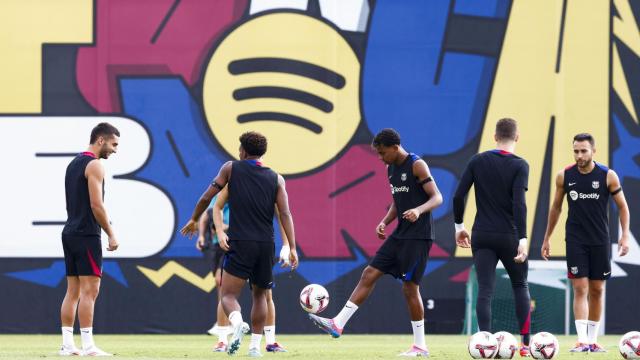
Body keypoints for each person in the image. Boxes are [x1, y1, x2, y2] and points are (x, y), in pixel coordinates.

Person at [308, 128, 443, 357]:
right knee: (369, 273)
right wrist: (385, 221)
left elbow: (437, 197)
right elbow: (397, 201)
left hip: (418, 237)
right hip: (400, 234)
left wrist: (419, 211)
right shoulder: (390, 168)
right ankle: (338, 324)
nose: (380, 159)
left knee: (410, 288)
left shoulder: (416, 165)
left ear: (395, 147)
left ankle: (420, 346)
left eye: (382, 153)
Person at [181, 131, 298, 357]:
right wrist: (291, 247)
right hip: (266, 244)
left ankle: (237, 324)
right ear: (263, 152)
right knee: (260, 296)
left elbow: (207, 198)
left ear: (242, 150)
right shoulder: (277, 178)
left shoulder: (231, 169)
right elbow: (285, 213)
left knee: (228, 296)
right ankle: (255, 347)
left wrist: (194, 219)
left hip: (241, 242)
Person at [541, 133, 630, 353]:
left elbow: (623, 207)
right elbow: (556, 208)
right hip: (575, 239)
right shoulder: (564, 176)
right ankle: (582, 341)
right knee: (580, 287)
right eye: (576, 151)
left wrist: (624, 235)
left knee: (597, 289)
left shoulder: (608, 176)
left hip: (600, 239)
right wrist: (547, 238)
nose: (579, 155)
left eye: (583, 151)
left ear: (593, 151)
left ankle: (593, 341)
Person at [452, 118, 531, 357]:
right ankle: (526, 345)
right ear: (517, 137)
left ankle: (485, 343)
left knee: (485, 289)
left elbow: (458, 197)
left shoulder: (478, 161)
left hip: (482, 235)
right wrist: (523, 238)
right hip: (509, 235)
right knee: (520, 285)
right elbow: (520, 204)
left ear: (495, 137)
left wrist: (459, 226)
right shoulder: (520, 165)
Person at [59, 122, 120, 356]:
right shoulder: (94, 165)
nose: (115, 150)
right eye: (114, 144)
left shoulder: (73, 164)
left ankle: (67, 345)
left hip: (70, 232)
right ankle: (88, 347)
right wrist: (111, 233)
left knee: (72, 291)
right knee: (90, 291)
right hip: (86, 233)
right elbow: (97, 205)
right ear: (101, 140)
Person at [210, 186, 290, 353]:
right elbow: (213, 208)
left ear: (243, 157)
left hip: (241, 243)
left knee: (230, 294)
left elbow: (281, 213)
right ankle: (228, 341)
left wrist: (287, 245)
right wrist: (288, 245)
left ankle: (266, 341)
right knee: (257, 294)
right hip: (258, 244)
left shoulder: (237, 177)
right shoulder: (269, 179)